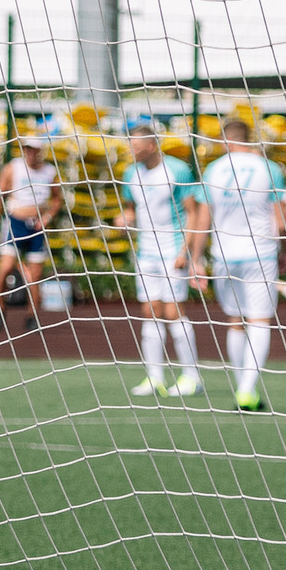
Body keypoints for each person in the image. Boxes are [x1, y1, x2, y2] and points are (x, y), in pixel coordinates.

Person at [187, 116, 286, 414]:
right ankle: (247, 389)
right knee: (259, 320)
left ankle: (241, 385)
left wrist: (197, 260)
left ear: (225, 141)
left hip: (224, 255)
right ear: (249, 137)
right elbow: (279, 221)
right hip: (260, 252)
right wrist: (283, 250)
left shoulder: (213, 169)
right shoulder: (269, 168)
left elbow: (203, 219)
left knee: (235, 320)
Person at [116, 124, 203, 397]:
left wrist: (185, 251)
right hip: (146, 254)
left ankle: (191, 377)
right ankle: (154, 377)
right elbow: (131, 209)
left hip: (172, 252)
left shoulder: (177, 170)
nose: (131, 149)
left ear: (151, 146)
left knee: (173, 312)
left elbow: (193, 212)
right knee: (149, 312)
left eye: (135, 145)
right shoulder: (130, 174)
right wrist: (124, 220)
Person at [0, 133, 61, 333]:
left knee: (35, 275)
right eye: (27, 149)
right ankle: (0, 308)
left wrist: (47, 217)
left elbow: (57, 199)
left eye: (34, 149)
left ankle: (32, 316)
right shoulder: (14, 168)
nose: (30, 153)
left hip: (36, 226)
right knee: (5, 268)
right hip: (15, 223)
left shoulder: (49, 172)